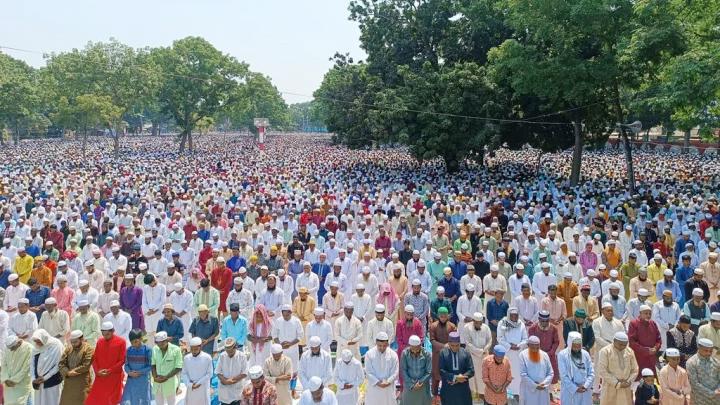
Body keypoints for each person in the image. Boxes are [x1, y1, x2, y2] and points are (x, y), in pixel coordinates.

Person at [85, 321, 127, 405]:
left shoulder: (121, 341)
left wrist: (110, 370)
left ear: (112, 331)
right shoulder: (100, 341)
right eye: (103, 334)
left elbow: (122, 360)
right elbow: (95, 358)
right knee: (95, 400)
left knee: (112, 400)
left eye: (107, 334)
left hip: (114, 376)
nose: (105, 336)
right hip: (100, 376)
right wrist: (97, 371)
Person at [597, 332, 639, 405]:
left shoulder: (629, 351)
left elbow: (635, 369)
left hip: (626, 387)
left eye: (624, 345)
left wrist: (629, 381)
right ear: (614, 341)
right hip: (610, 387)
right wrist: (617, 383)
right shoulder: (605, 351)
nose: (622, 347)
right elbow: (602, 370)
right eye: (620, 344)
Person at [460, 312, 492, 401]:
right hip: (472, 356)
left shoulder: (486, 328)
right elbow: (468, 343)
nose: (478, 324)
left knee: (483, 376)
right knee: (472, 378)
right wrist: (479, 351)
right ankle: (472, 396)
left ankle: (483, 396)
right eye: (476, 322)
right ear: (473, 321)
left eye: (480, 322)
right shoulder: (467, 328)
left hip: (484, 356)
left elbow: (489, 341)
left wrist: (484, 350)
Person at [497, 307, 527, 397]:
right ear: (508, 315)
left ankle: (517, 392)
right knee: (506, 372)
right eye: (512, 315)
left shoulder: (521, 324)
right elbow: (500, 338)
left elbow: (525, 339)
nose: (514, 317)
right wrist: (510, 346)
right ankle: (506, 392)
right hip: (507, 353)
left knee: (517, 374)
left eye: (516, 315)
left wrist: (518, 345)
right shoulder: (502, 323)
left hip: (518, 354)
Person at [558, 332, 594, 405]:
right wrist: (575, 388)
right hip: (570, 391)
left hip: (585, 390)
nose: (577, 348)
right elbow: (563, 376)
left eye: (579, 345)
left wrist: (585, 385)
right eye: (575, 346)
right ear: (570, 344)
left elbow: (591, 373)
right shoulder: (562, 355)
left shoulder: (585, 354)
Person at [59, 330, 94, 405]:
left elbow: (86, 365)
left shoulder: (88, 349)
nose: (73, 344)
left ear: (81, 339)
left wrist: (72, 372)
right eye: (72, 342)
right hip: (69, 382)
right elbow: (61, 363)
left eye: (75, 342)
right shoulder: (69, 349)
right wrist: (67, 372)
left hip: (82, 382)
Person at [438, 331, 474, 405]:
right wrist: (454, 377)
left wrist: (461, 377)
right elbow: (441, 370)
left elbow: (471, 370)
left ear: (460, 343)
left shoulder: (465, 353)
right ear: (448, 343)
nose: (455, 347)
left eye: (457, 345)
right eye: (452, 345)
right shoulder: (443, 353)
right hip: (448, 388)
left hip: (463, 389)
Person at [30, 329, 64, 405]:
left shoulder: (56, 345)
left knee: (52, 401)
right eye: (36, 341)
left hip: (52, 381)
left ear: (44, 338)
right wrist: (33, 379)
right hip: (38, 382)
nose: (37, 343)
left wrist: (45, 377)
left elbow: (59, 364)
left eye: (39, 341)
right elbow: (32, 365)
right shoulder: (36, 348)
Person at [364, 332, 399, 405]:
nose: (382, 348)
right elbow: (368, 371)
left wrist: (388, 381)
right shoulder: (369, 354)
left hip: (388, 389)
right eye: (380, 345)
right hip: (374, 388)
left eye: (384, 345)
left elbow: (395, 372)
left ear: (387, 344)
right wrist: (378, 382)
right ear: (376, 342)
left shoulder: (393, 355)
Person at [518, 335, 553, 405]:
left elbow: (550, 373)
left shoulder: (544, 355)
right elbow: (523, 374)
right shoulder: (522, 355)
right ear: (528, 345)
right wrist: (535, 385)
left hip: (543, 389)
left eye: (537, 346)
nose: (535, 348)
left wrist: (544, 384)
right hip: (528, 390)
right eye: (532, 346)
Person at [429, 306, 456, 398]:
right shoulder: (433, 326)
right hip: (437, 355)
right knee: (435, 376)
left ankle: (447, 396)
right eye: (441, 316)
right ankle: (434, 396)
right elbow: (432, 341)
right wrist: (443, 346)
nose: (443, 318)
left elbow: (455, 340)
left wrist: (450, 346)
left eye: (445, 316)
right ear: (438, 316)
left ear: (448, 316)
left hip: (449, 355)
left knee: (447, 376)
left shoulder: (452, 326)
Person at [527, 310, 560, 385]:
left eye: (546, 321)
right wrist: (539, 352)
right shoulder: (533, 328)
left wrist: (550, 352)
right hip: (536, 355)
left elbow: (556, 342)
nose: (544, 323)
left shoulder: (554, 328)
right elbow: (531, 342)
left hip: (550, 356)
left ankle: (549, 393)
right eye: (542, 321)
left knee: (551, 375)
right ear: (539, 319)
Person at [628, 305, 661, 378]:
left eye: (650, 313)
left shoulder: (653, 323)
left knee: (651, 378)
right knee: (638, 379)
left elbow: (658, 339)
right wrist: (646, 350)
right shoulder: (633, 324)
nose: (648, 315)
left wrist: (655, 348)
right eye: (646, 313)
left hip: (651, 357)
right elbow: (632, 342)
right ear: (640, 313)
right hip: (639, 357)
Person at [121, 329, 153, 405]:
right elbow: (126, 365)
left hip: (143, 380)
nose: (133, 344)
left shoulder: (147, 350)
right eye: (131, 342)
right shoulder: (129, 350)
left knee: (144, 399)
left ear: (141, 339)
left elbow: (151, 366)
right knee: (132, 399)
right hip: (131, 380)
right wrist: (129, 372)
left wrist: (140, 372)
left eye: (135, 342)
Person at [151, 331, 183, 405]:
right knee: (159, 403)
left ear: (167, 340)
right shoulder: (155, 349)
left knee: (171, 403)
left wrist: (166, 377)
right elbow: (153, 365)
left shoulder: (176, 349)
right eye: (158, 343)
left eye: (162, 343)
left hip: (170, 382)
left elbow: (178, 367)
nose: (160, 345)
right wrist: (155, 377)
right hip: (157, 382)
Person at [399, 335, 432, 405]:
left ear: (420, 345)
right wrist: (412, 384)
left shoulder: (427, 354)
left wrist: (419, 382)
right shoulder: (405, 353)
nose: (415, 351)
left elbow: (429, 372)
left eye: (417, 348)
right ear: (409, 346)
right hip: (409, 386)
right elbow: (403, 370)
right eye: (413, 348)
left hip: (423, 386)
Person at [686, 338, 720, 405]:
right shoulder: (691, 362)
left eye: (710, 351)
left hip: (717, 398)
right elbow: (694, 384)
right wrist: (711, 393)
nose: (708, 353)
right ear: (699, 348)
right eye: (706, 350)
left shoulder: (715, 361)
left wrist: (719, 389)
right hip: (700, 399)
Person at [1, 335, 33, 405]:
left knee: (22, 402)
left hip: (22, 383)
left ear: (19, 343)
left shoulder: (29, 348)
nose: (11, 350)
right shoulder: (8, 348)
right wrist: (6, 379)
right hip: (8, 384)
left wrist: (14, 380)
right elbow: (4, 365)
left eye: (13, 348)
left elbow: (26, 368)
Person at [216, 337, 248, 405]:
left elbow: (244, 373)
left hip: (237, 390)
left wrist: (232, 380)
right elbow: (218, 372)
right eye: (227, 351)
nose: (229, 353)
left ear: (235, 347)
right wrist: (225, 381)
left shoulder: (242, 356)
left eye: (230, 351)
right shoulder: (222, 356)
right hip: (225, 391)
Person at [182, 337, 214, 405]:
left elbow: (210, 373)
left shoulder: (207, 357)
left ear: (200, 347)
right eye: (192, 349)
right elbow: (184, 373)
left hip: (203, 387)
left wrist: (198, 383)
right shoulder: (186, 358)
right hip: (191, 388)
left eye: (196, 349)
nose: (194, 351)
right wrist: (190, 384)